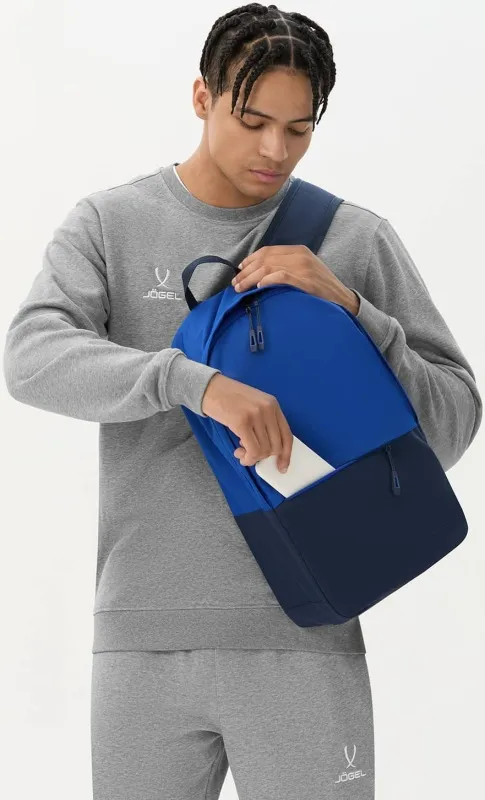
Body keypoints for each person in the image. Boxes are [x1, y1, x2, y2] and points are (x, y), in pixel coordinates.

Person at [3, 4, 482, 799]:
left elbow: (453, 425)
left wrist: (355, 312)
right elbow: (30, 359)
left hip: (306, 631)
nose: (273, 151)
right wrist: (194, 382)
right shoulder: (111, 224)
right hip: (142, 641)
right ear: (201, 97)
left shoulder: (352, 240)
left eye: (297, 129)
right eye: (252, 120)